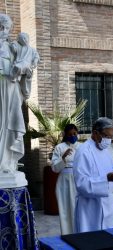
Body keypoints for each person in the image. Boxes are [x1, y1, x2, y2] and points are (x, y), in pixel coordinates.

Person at [73, 117, 113, 232]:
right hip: (90, 208)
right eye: (106, 136)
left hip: (108, 205)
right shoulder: (83, 151)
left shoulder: (105, 151)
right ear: (95, 133)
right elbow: (81, 184)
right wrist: (106, 179)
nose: (109, 140)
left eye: (111, 137)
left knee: (109, 237)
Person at [0, 14, 26, 172]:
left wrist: (24, 71)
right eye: (2, 27)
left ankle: (7, 162)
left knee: (10, 123)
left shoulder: (13, 48)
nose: (4, 31)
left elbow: (24, 65)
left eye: (7, 28)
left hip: (10, 90)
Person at [51, 124, 80, 235]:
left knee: (77, 208)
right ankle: (67, 235)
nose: (73, 136)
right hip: (64, 181)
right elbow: (54, 168)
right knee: (65, 210)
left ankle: (80, 233)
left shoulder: (82, 147)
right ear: (65, 135)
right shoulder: (59, 147)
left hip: (77, 179)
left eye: (75, 133)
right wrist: (62, 157)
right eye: (70, 134)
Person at [10, 32, 40, 100]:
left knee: (20, 68)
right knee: (17, 67)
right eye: (22, 39)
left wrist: (35, 62)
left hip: (27, 65)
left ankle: (15, 76)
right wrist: (14, 44)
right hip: (19, 63)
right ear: (19, 40)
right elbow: (13, 48)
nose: (24, 40)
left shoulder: (32, 50)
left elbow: (36, 57)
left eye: (25, 38)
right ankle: (14, 77)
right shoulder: (18, 46)